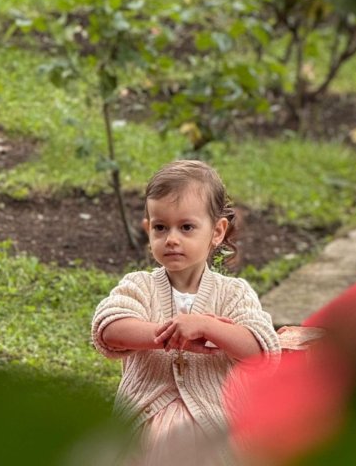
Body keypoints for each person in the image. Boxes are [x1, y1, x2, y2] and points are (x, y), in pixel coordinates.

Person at [91, 160, 280, 462]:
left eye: (187, 227)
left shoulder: (233, 294)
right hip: (145, 427)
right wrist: (163, 334)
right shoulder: (140, 286)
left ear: (217, 232)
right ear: (148, 229)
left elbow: (261, 350)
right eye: (161, 227)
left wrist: (207, 326)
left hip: (213, 431)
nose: (172, 238)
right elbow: (108, 328)